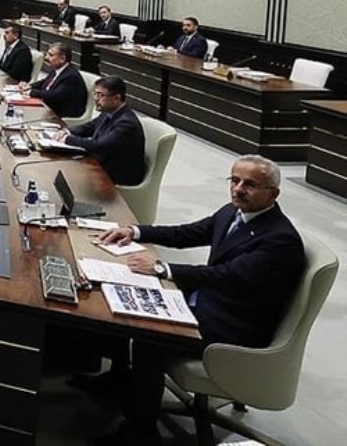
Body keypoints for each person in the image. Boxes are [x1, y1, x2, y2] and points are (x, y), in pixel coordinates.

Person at [89, 155, 305, 444]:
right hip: (209, 301)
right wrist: (135, 232)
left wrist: (162, 268)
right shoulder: (233, 212)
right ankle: (121, 380)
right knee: (125, 295)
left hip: (235, 324)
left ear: (273, 194)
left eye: (250, 184)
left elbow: (228, 276)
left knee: (149, 335)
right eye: (235, 180)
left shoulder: (280, 239)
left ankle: (141, 432)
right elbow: (187, 233)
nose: (239, 189)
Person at [54, 75, 145, 186]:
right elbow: (89, 127)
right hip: (102, 163)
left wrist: (67, 139)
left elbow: (99, 146)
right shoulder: (109, 111)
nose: (96, 99)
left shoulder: (126, 123)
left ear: (116, 98)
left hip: (116, 175)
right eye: (95, 94)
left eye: (100, 95)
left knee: (69, 175)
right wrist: (66, 131)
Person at [19, 44, 86, 118]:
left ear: (62, 59)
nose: (46, 57)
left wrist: (31, 92)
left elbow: (53, 95)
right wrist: (29, 86)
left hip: (61, 115)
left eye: (51, 55)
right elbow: (44, 82)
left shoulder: (71, 76)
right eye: (47, 54)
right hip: (49, 106)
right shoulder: (58, 68)